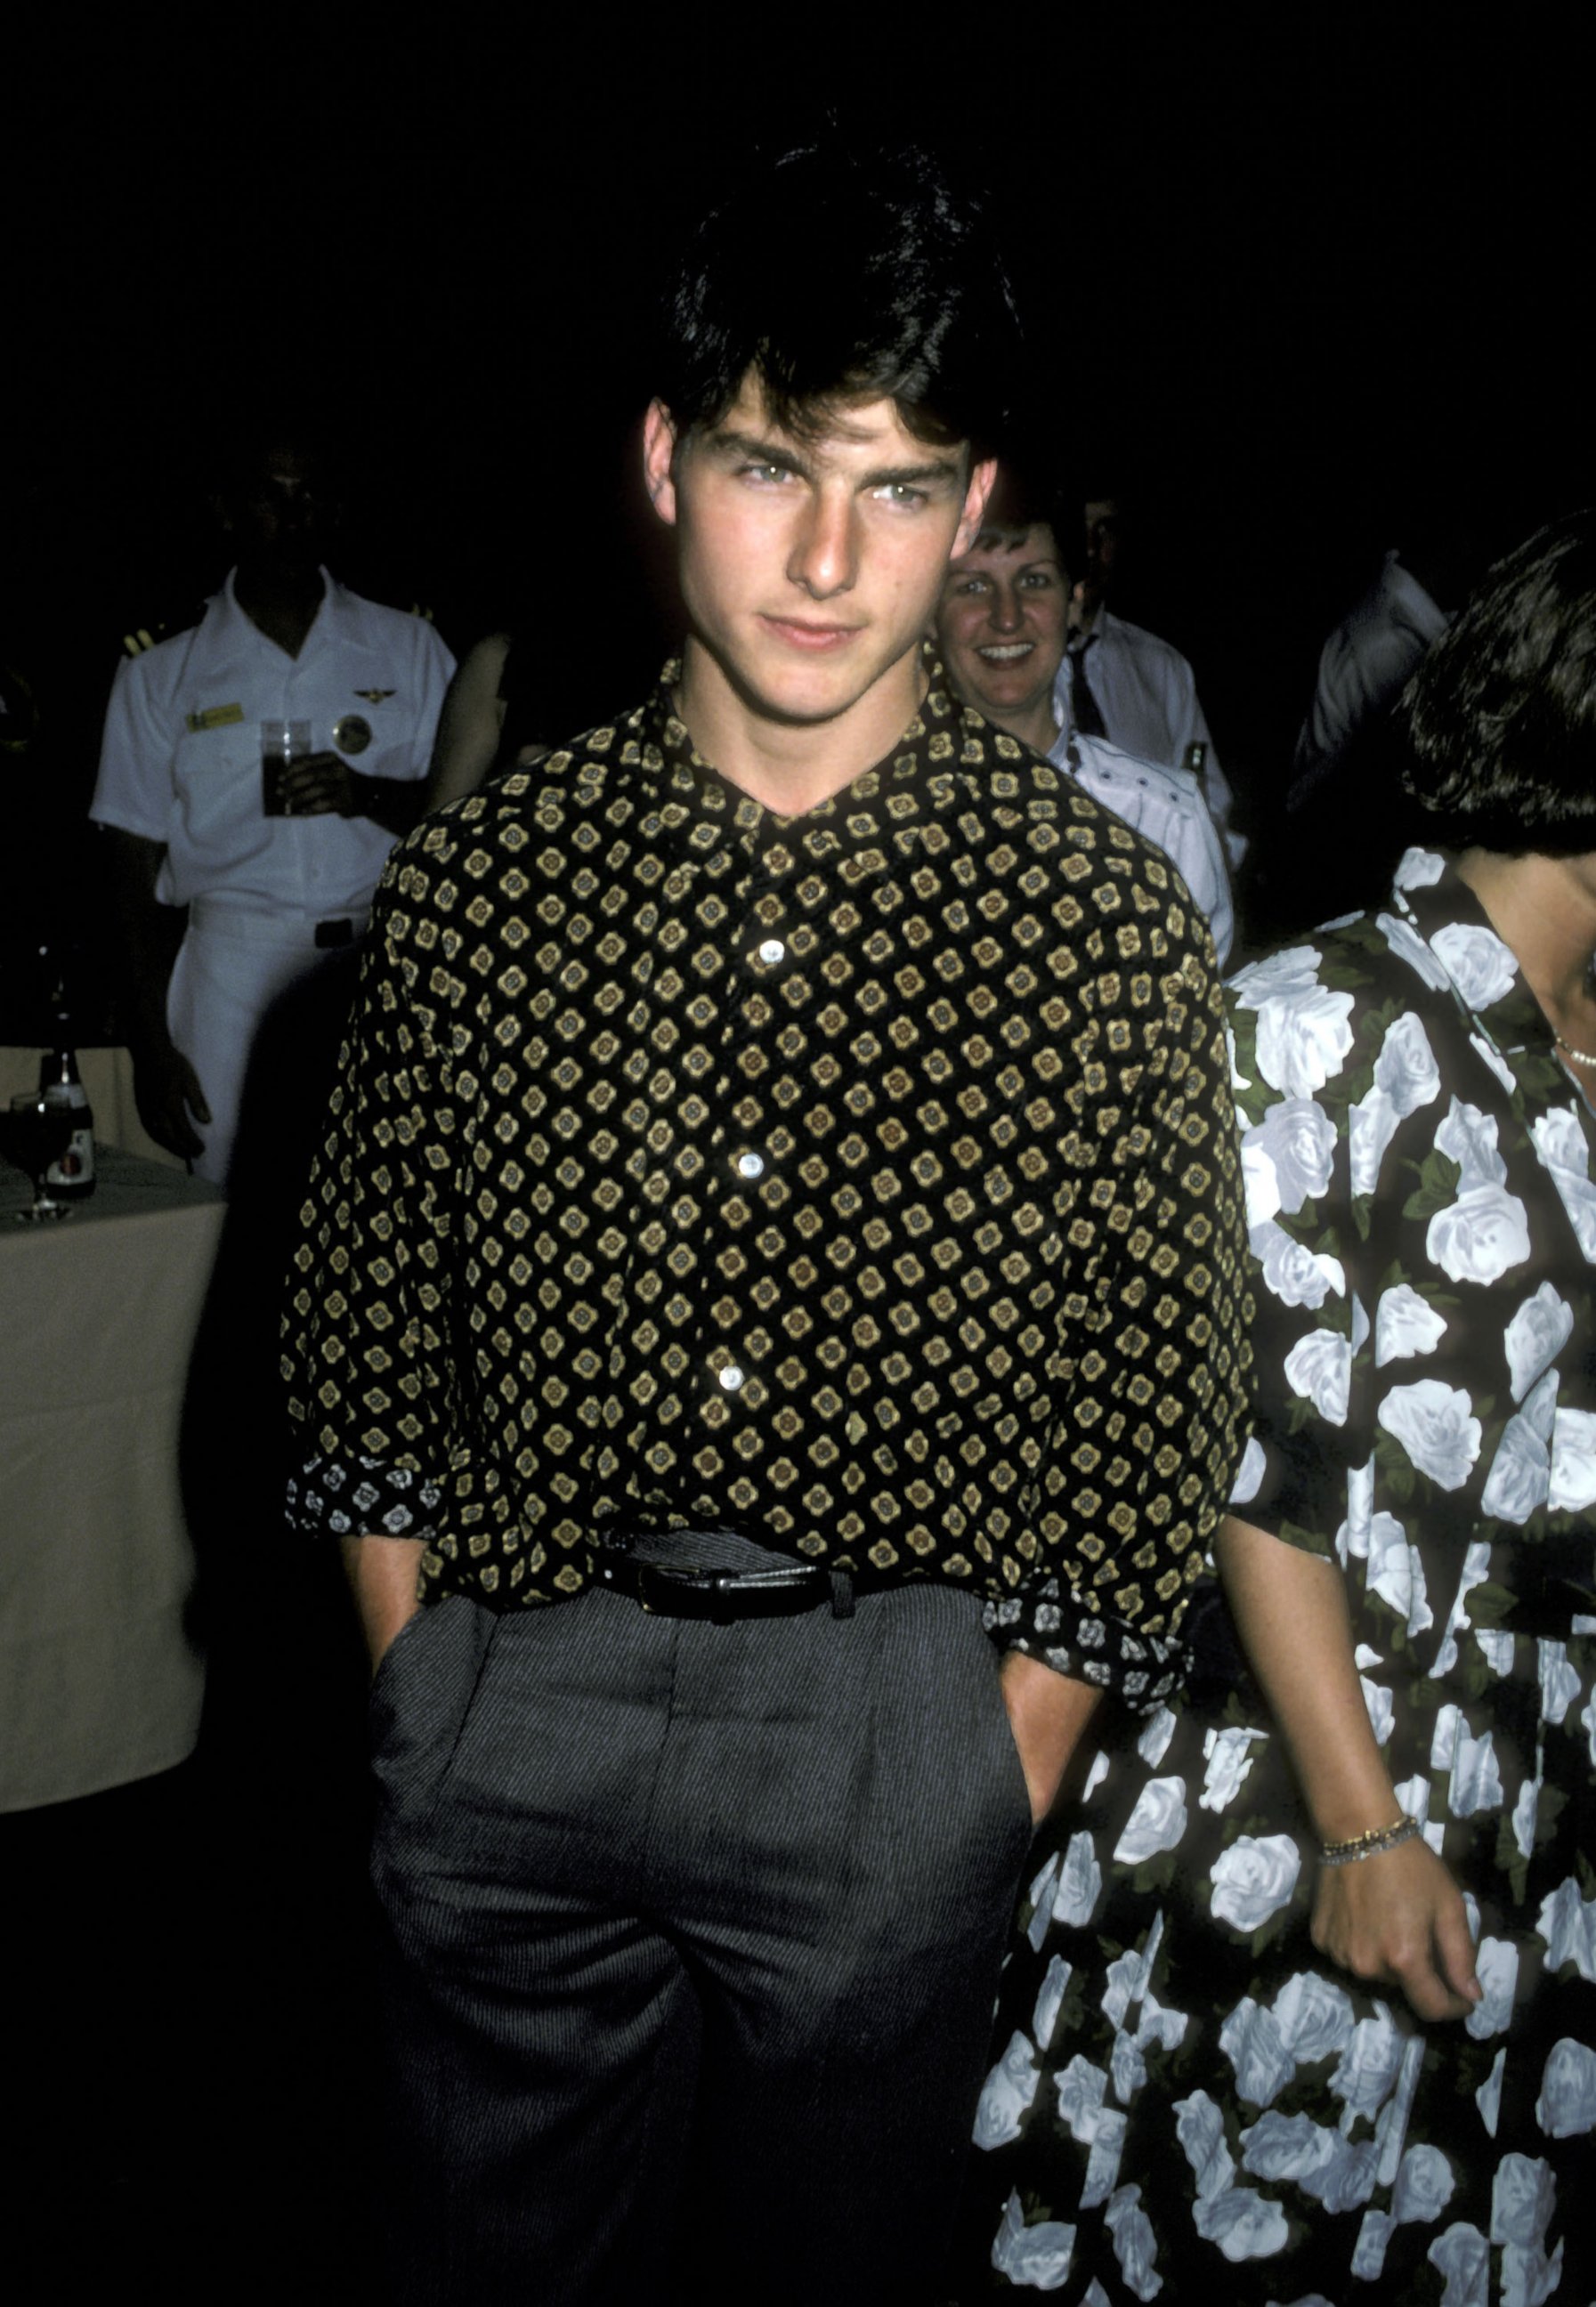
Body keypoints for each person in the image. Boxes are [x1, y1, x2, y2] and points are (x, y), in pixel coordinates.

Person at [279, 141, 1253, 2304]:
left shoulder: (1098, 920)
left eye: (897, 488)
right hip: (514, 1693)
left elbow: (1163, 1389)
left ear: (976, 503)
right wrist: (422, 1678)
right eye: (766, 465)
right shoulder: (481, 885)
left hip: (893, 1714)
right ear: (661, 457)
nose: (825, 555)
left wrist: (993, 1761)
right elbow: (362, 1344)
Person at [960, 514, 1596, 2302]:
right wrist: (1358, 1824)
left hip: (1530, 1800)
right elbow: (1255, 1467)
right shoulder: (1312, 1021)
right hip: (1301, 1802)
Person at [89, 432, 456, 1185]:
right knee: (238, 1211)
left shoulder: (408, 645)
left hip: (376, 965)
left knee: (379, 1206)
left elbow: (469, 822)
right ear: (226, 511)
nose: (296, 517)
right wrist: (150, 1046)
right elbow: (130, 863)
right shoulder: (164, 669)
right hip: (231, 971)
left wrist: (369, 794)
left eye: (313, 495)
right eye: (272, 496)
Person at [936, 482, 1235, 964]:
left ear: (1073, 601)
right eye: (973, 586)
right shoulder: (878, 812)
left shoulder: (1163, 821)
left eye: (1033, 581)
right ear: (929, 613)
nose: (1006, 617)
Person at [1061, 490, 1244, 866]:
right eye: (1080, 531)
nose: (1092, 549)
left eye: (1105, 531)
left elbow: (1210, 808)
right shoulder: (1012, 671)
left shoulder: (1160, 666)